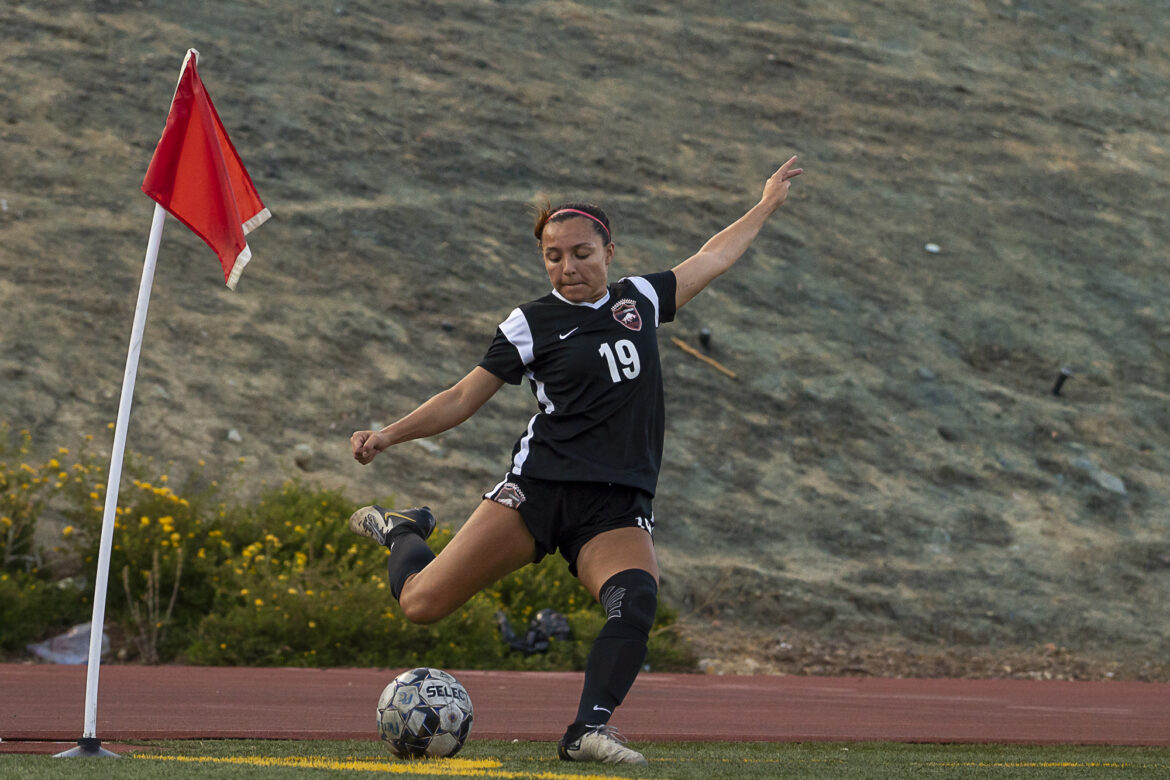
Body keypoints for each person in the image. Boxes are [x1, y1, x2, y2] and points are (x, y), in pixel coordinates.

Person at [348, 156, 803, 764]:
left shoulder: (639, 299)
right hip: (539, 492)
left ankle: (587, 730)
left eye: (581, 253)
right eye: (553, 256)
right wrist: (387, 435)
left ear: (609, 250)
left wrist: (767, 203)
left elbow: (713, 256)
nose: (568, 267)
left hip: (613, 505)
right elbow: (461, 397)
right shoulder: (528, 325)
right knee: (421, 605)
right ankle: (404, 530)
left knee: (635, 600)